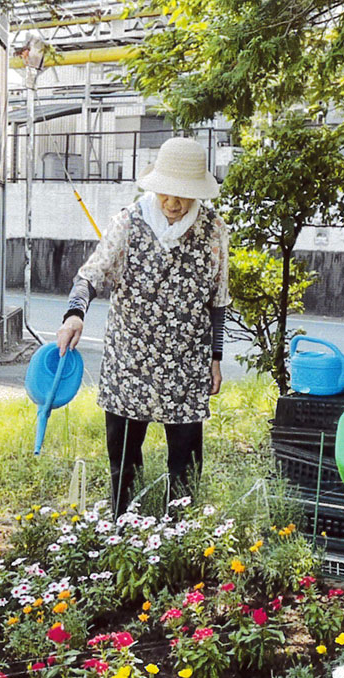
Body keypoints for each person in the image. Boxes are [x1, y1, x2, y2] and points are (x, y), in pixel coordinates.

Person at [55, 137, 230, 515]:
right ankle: (123, 530)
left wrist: (216, 357)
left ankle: (179, 540)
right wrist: (74, 313)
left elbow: (218, 300)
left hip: (185, 364)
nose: (173, 202)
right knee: (124, 463)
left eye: (183, 194)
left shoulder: (214, 230)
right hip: (129, 361)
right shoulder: (129, 222)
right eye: (167, 191)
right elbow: (92, 275)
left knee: (185, 467)